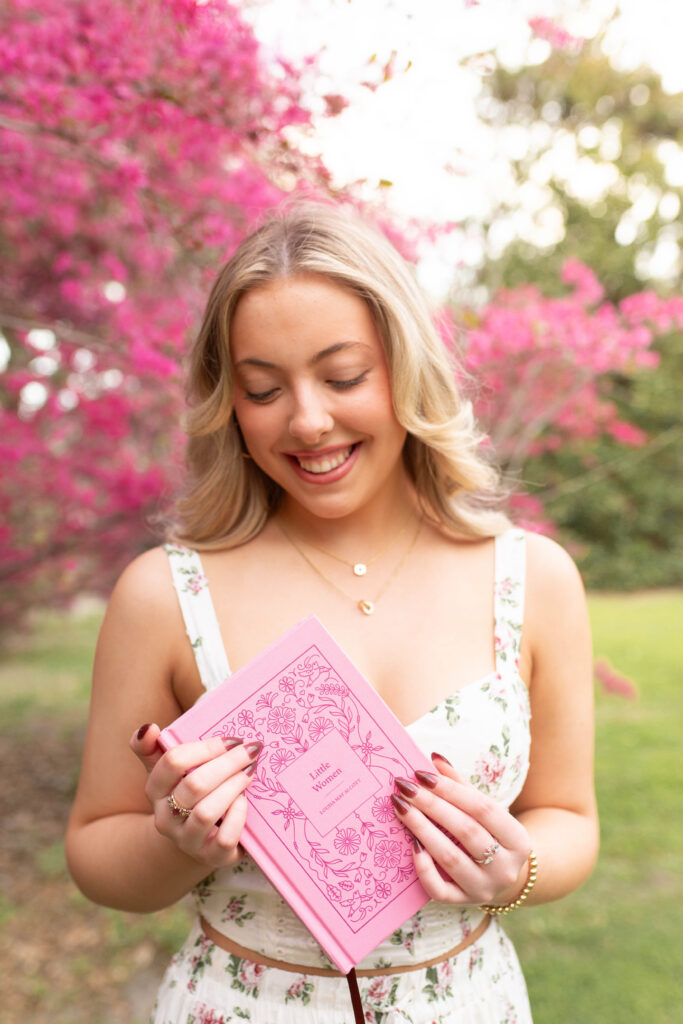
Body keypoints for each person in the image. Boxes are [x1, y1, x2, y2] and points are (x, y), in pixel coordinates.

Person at [66, 202, 598, 1024]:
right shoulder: (164, 594)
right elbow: (97, 852)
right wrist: (173, 841)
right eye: (263, 389)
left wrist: (516, 871)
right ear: (228, 402)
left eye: (343, 376)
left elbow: (567, 817)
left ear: (405, 369)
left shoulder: (531, 579)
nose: (307, 419)